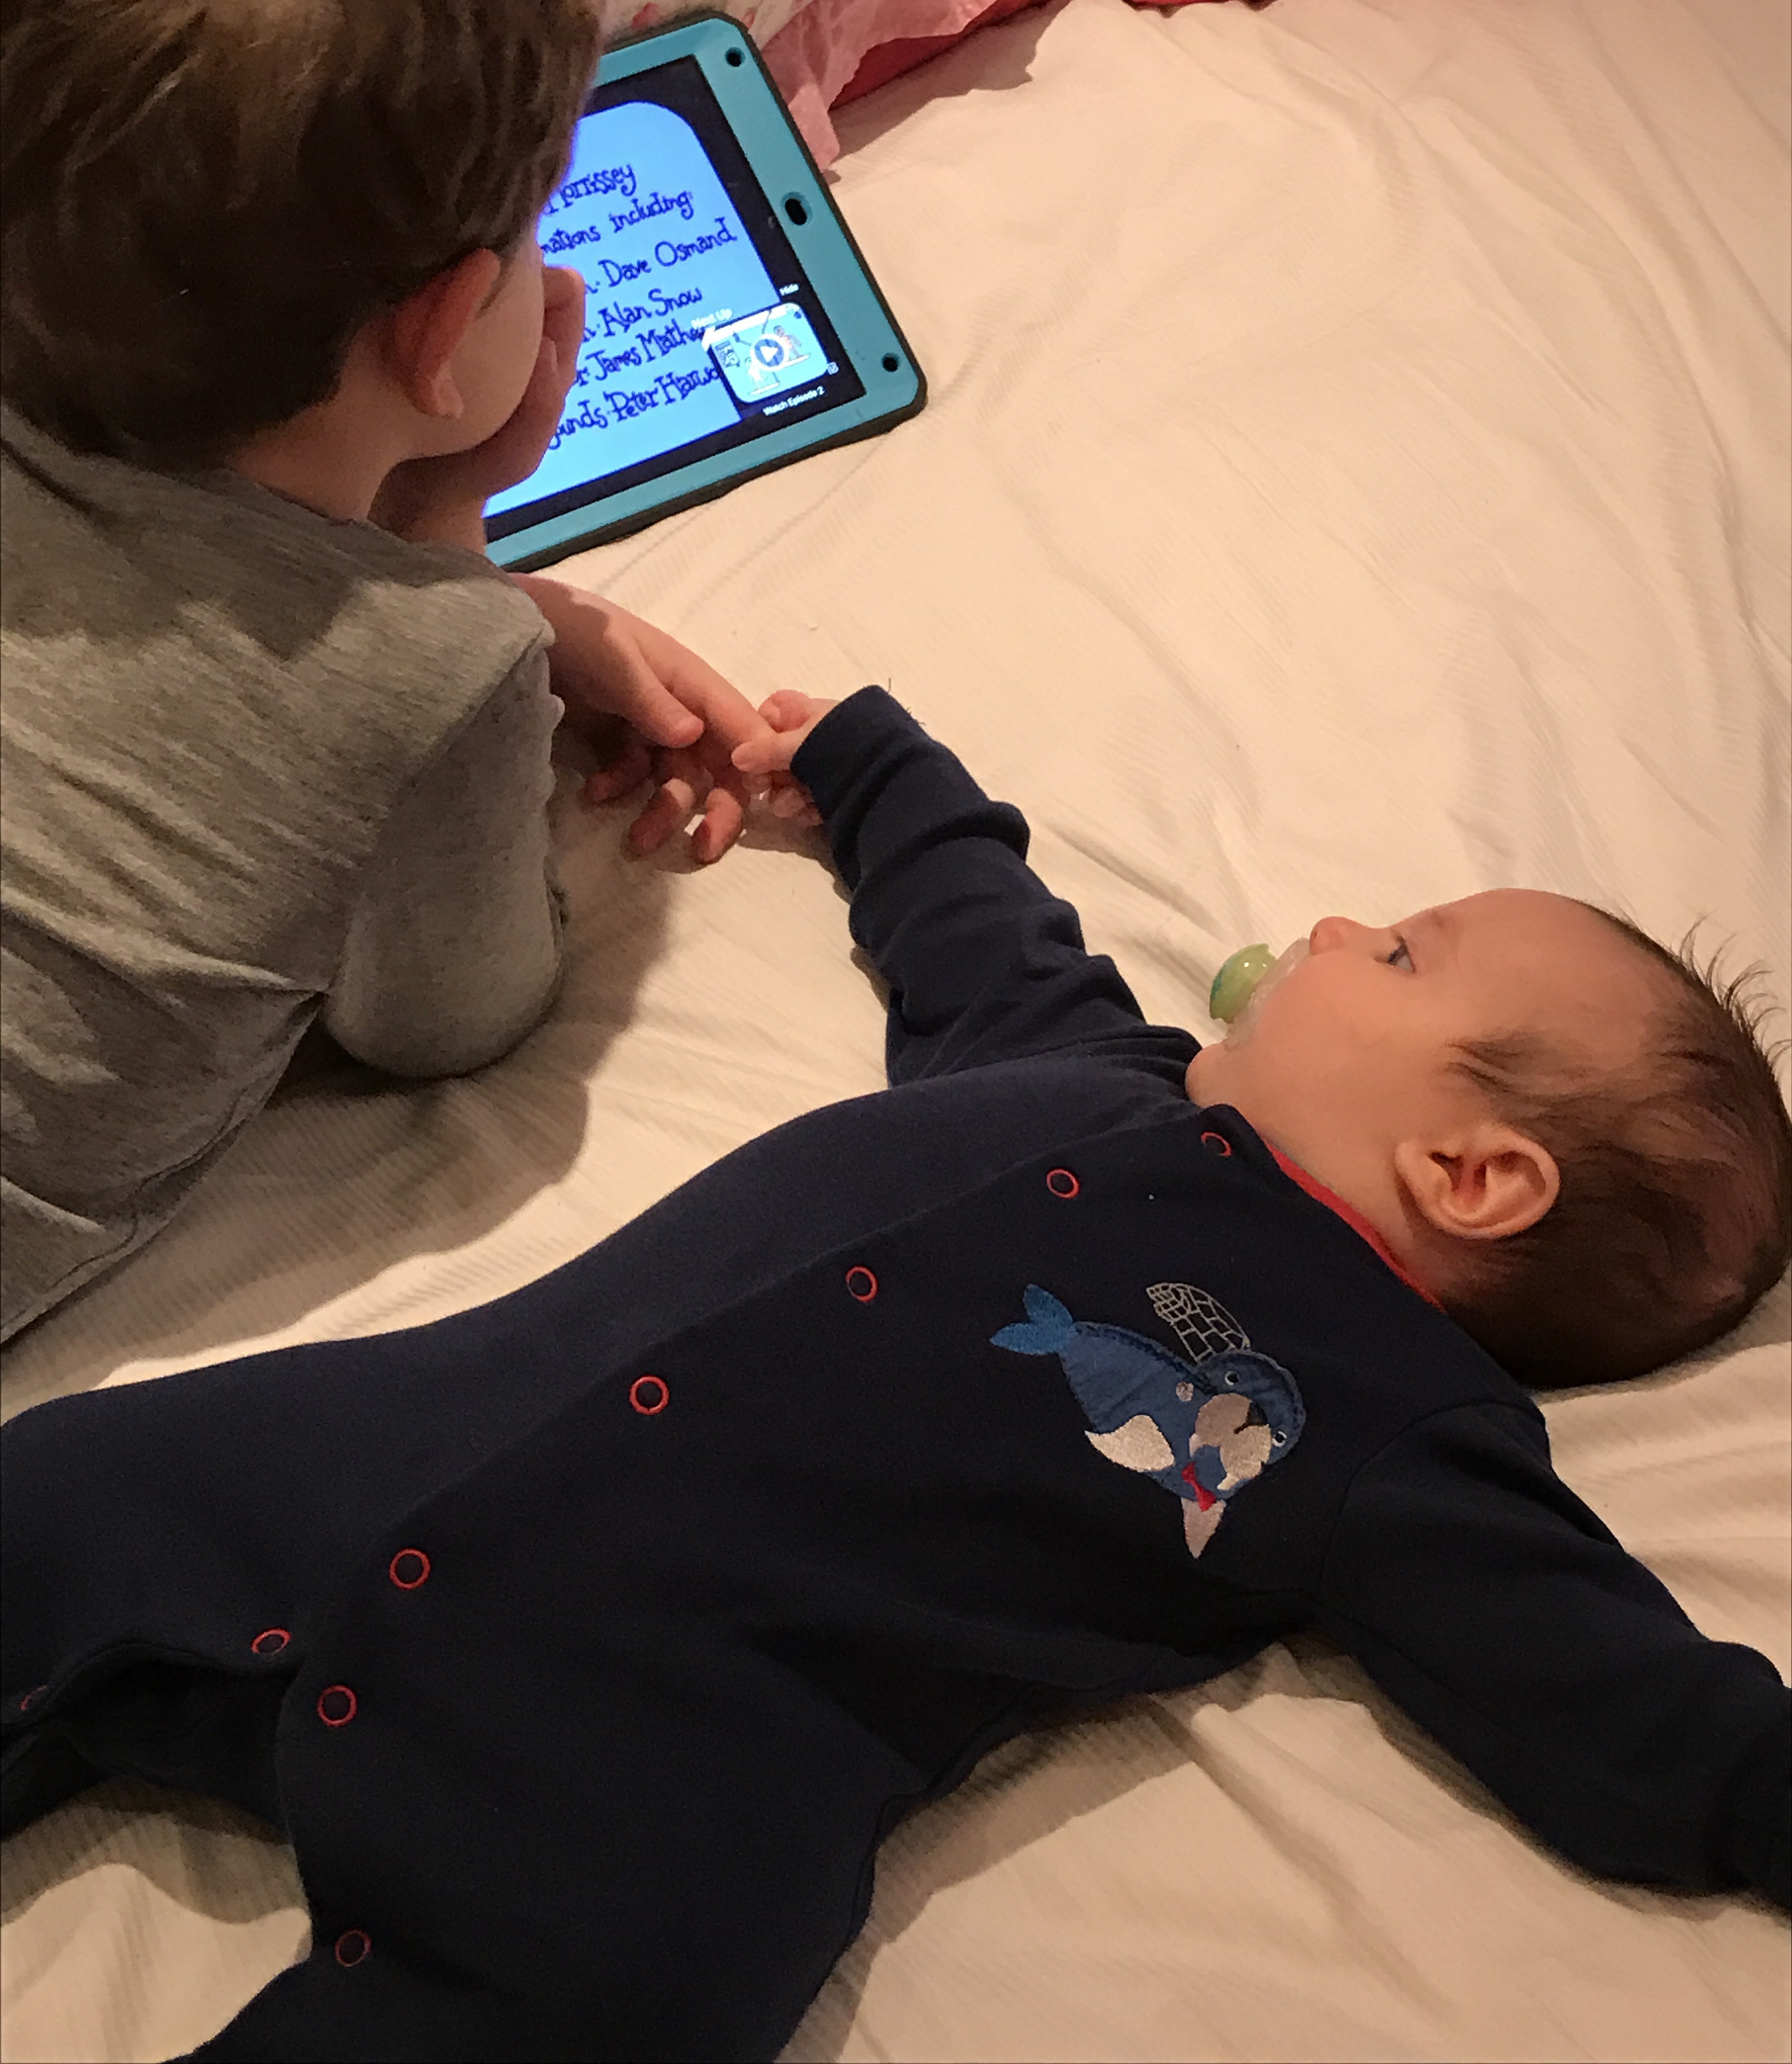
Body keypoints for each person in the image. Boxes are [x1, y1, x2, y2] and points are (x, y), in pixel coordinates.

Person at [4, 685, 1787, 2063]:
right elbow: (980, 922)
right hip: (366, 1457)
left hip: (656, 1739)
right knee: (65, 1500)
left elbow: (1622, 1706)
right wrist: (870, 764)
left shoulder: (1387, 1420)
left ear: (1473, 1176)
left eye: (1399, 955)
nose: (1328, 930)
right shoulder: (1087, 1065)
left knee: (624, 1987)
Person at [0, 0, 772, 1343]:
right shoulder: (428, 679)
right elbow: (449, 1023)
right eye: (532, 231)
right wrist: (448, 544)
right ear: (442, 331)